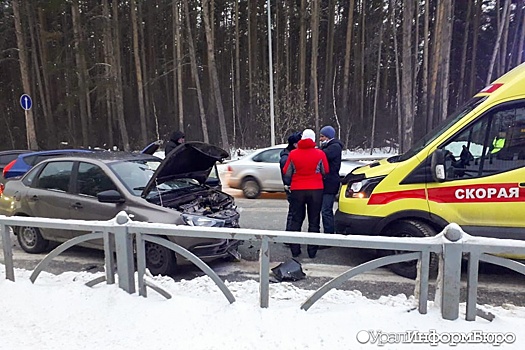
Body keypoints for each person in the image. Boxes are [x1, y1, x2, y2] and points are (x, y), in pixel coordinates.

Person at [283, 128, 329, 259]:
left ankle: (295, 250)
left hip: (297, 189)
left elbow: (287, 171)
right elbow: (325, 170)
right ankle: (312, 251)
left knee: (296, 219)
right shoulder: (320, 154)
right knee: (314, 220)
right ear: (313, 139)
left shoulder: (293, 154)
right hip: (316, 189)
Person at [319, 125, 343, 235]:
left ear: (328, 137)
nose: (320, 139)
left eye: (322, 136)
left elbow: (322, 156)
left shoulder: (334, 147)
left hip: (330, 183)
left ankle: (329, 234)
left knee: (326, 210)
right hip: (327, 183)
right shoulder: (330, 147)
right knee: (325, 210)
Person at [279, 131, 302, 231]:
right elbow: (287, 176)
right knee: (293, 212)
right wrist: (290, 186)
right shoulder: (286, 158)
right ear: (295, 144)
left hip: (293, 187)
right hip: (291, 188)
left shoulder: (289, 155)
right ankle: (289, 234)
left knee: (295, 212)